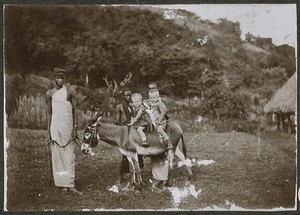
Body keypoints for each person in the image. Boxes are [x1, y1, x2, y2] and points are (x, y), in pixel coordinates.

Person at [46, 68, 81, 195]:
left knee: (69, 155)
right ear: (54, 78)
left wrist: (75, 128)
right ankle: (62, 184)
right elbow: (49, 114)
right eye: (58, 77)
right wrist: (48, 132)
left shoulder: (70, 92)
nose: (60, 80)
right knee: (57, 155)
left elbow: (74, 111)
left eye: (62, 78)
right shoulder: (49, 93)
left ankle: (70, 184)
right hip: (55, 126)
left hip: (68, 126)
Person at [115, 88, 144, 181]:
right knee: (125, 155)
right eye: (126, 95)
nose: (128, 97)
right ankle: (121, 175)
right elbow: (117, 120)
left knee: (136, 151)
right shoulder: (119, 106)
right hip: (124, 129)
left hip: (132, 129)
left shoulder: (133, 105)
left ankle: (137, 173)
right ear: (123, 96)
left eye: (129, 95)